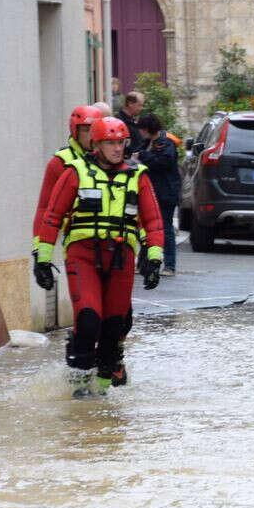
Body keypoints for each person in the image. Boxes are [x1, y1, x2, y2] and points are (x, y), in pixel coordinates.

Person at [33, 117, 165, 397]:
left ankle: (102, 390)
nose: (117, 148)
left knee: (114, 325)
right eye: (111, 143)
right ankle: (80, 382)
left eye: (121, 142)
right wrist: (42, 259)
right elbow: (52, 216)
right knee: (90, 318)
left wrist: (154, 258)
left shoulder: (137, 175)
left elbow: (152, 221)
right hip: (83, 255)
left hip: (121, 258)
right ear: (97, 144)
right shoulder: (75, 172)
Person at [33, 105, 101, 259]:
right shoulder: (59, 163)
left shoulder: (111, 160)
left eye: (95, 129)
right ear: (75, 131)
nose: (91, 135)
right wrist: (39, 249)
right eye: (85, 130)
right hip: (72, 239)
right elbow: (44, 208)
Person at [137, 113, 180, 275]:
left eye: (141, 129)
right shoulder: (149, 142)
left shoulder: (166, 142)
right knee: (146, 228)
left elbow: (163, 162)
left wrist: (142, 156)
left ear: (147, 129)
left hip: (165, 192)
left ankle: (170, 265)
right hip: (152, 191)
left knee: (166, 228)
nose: (139, 132)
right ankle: (144, 263)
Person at [116, 91, 145, 158]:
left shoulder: (133, 120)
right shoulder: (120, 122)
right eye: (139, 105)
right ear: (130, 104)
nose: (141, 108)